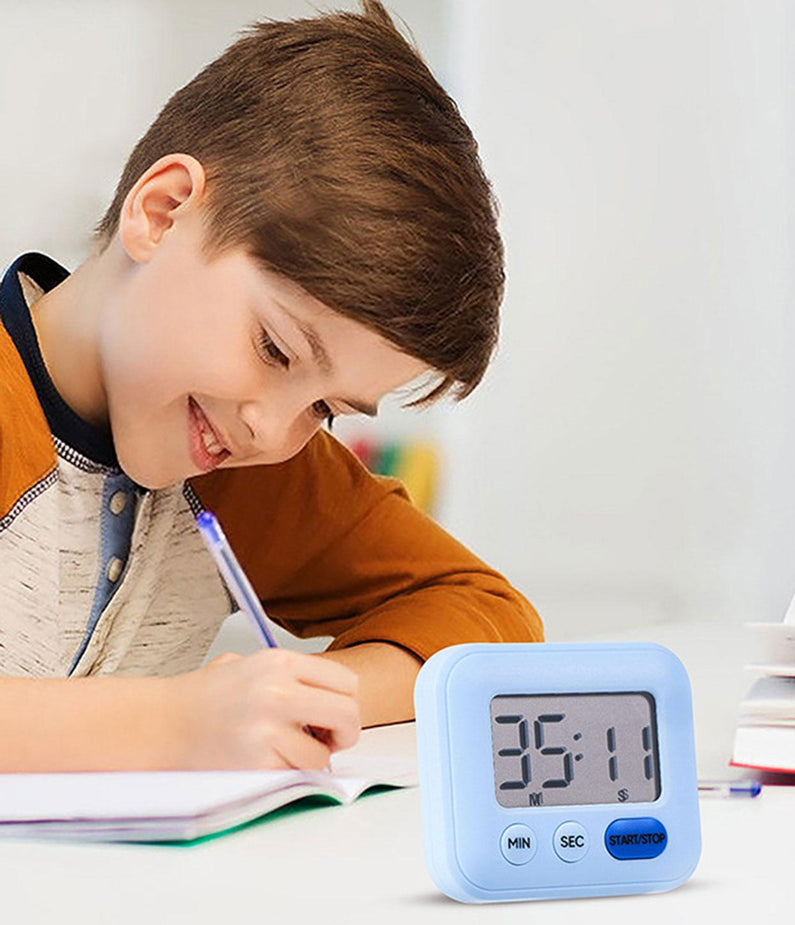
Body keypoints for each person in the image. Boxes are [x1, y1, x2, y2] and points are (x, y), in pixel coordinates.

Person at [0, 2, 542, 772]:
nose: (272, 430)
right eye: (275, 348)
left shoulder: (239, 462)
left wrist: (298, 700)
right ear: (163, 213)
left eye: (325, 408)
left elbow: (488, 617)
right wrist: (178, 724)